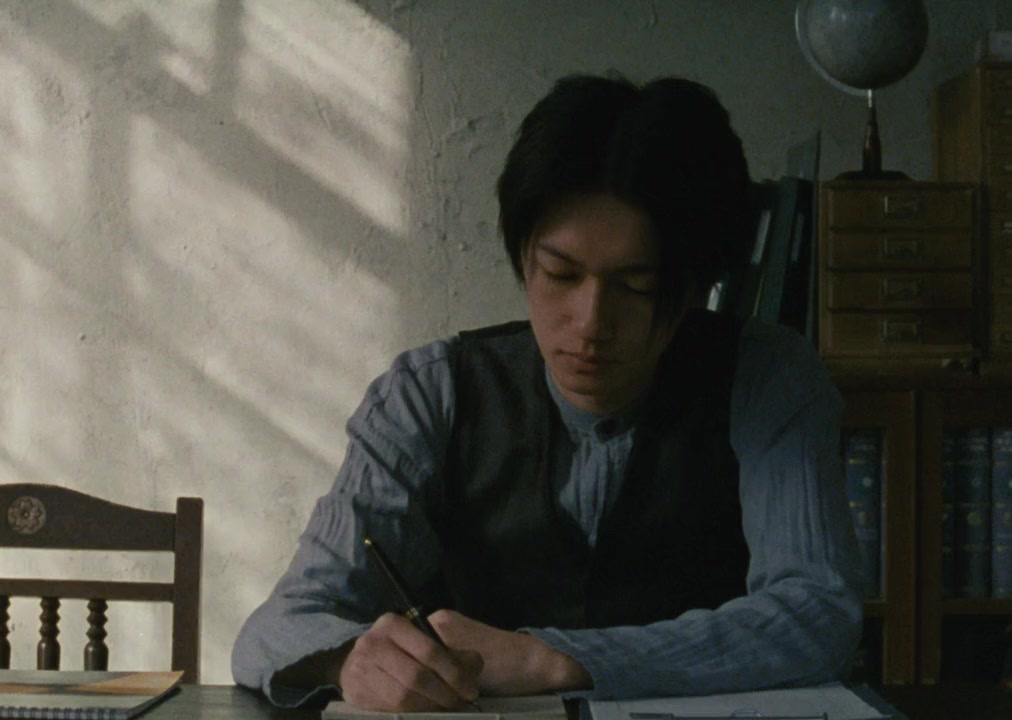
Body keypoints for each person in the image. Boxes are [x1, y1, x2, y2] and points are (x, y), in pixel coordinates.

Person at [231, 71, 863, 710]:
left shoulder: (767, 377)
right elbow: (273, 630)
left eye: (637, 287)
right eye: (561, 274)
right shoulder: (429, 393)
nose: (590, 324)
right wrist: (349, 659)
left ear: (696, 287)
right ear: (524, 257)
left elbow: (818, 613)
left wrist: (554, 659)